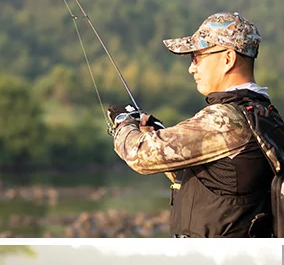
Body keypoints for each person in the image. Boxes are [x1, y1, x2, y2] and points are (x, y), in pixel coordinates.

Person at [109, 12, 284, 237]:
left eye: (197, 57)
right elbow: (216, 183)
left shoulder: (225, 119)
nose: (192, 68)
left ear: (228, 59)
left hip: (214, 257)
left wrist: (124, 122)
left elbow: (139, 155)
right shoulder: (265, 114)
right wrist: (158, 132)